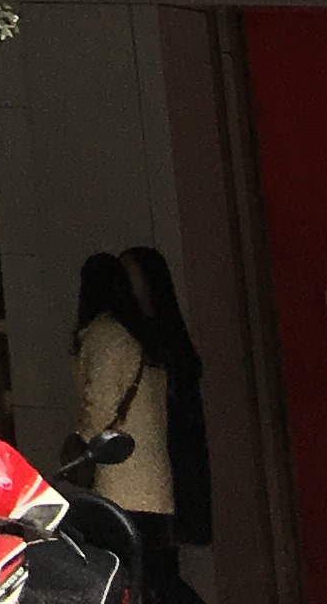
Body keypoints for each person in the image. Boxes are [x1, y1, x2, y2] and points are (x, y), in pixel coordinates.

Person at [74, 251, 178, 597]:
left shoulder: (105, 336)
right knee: (154, 580)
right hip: (157, 488)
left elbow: (98, 409)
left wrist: (78, 443)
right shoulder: (145, 336)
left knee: (117, 581)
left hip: (120, 485)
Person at [122, 248, 212, 600]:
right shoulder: (154, 337)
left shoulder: (156, 341)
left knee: (155, 569)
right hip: (157, 468)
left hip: (164, 463)